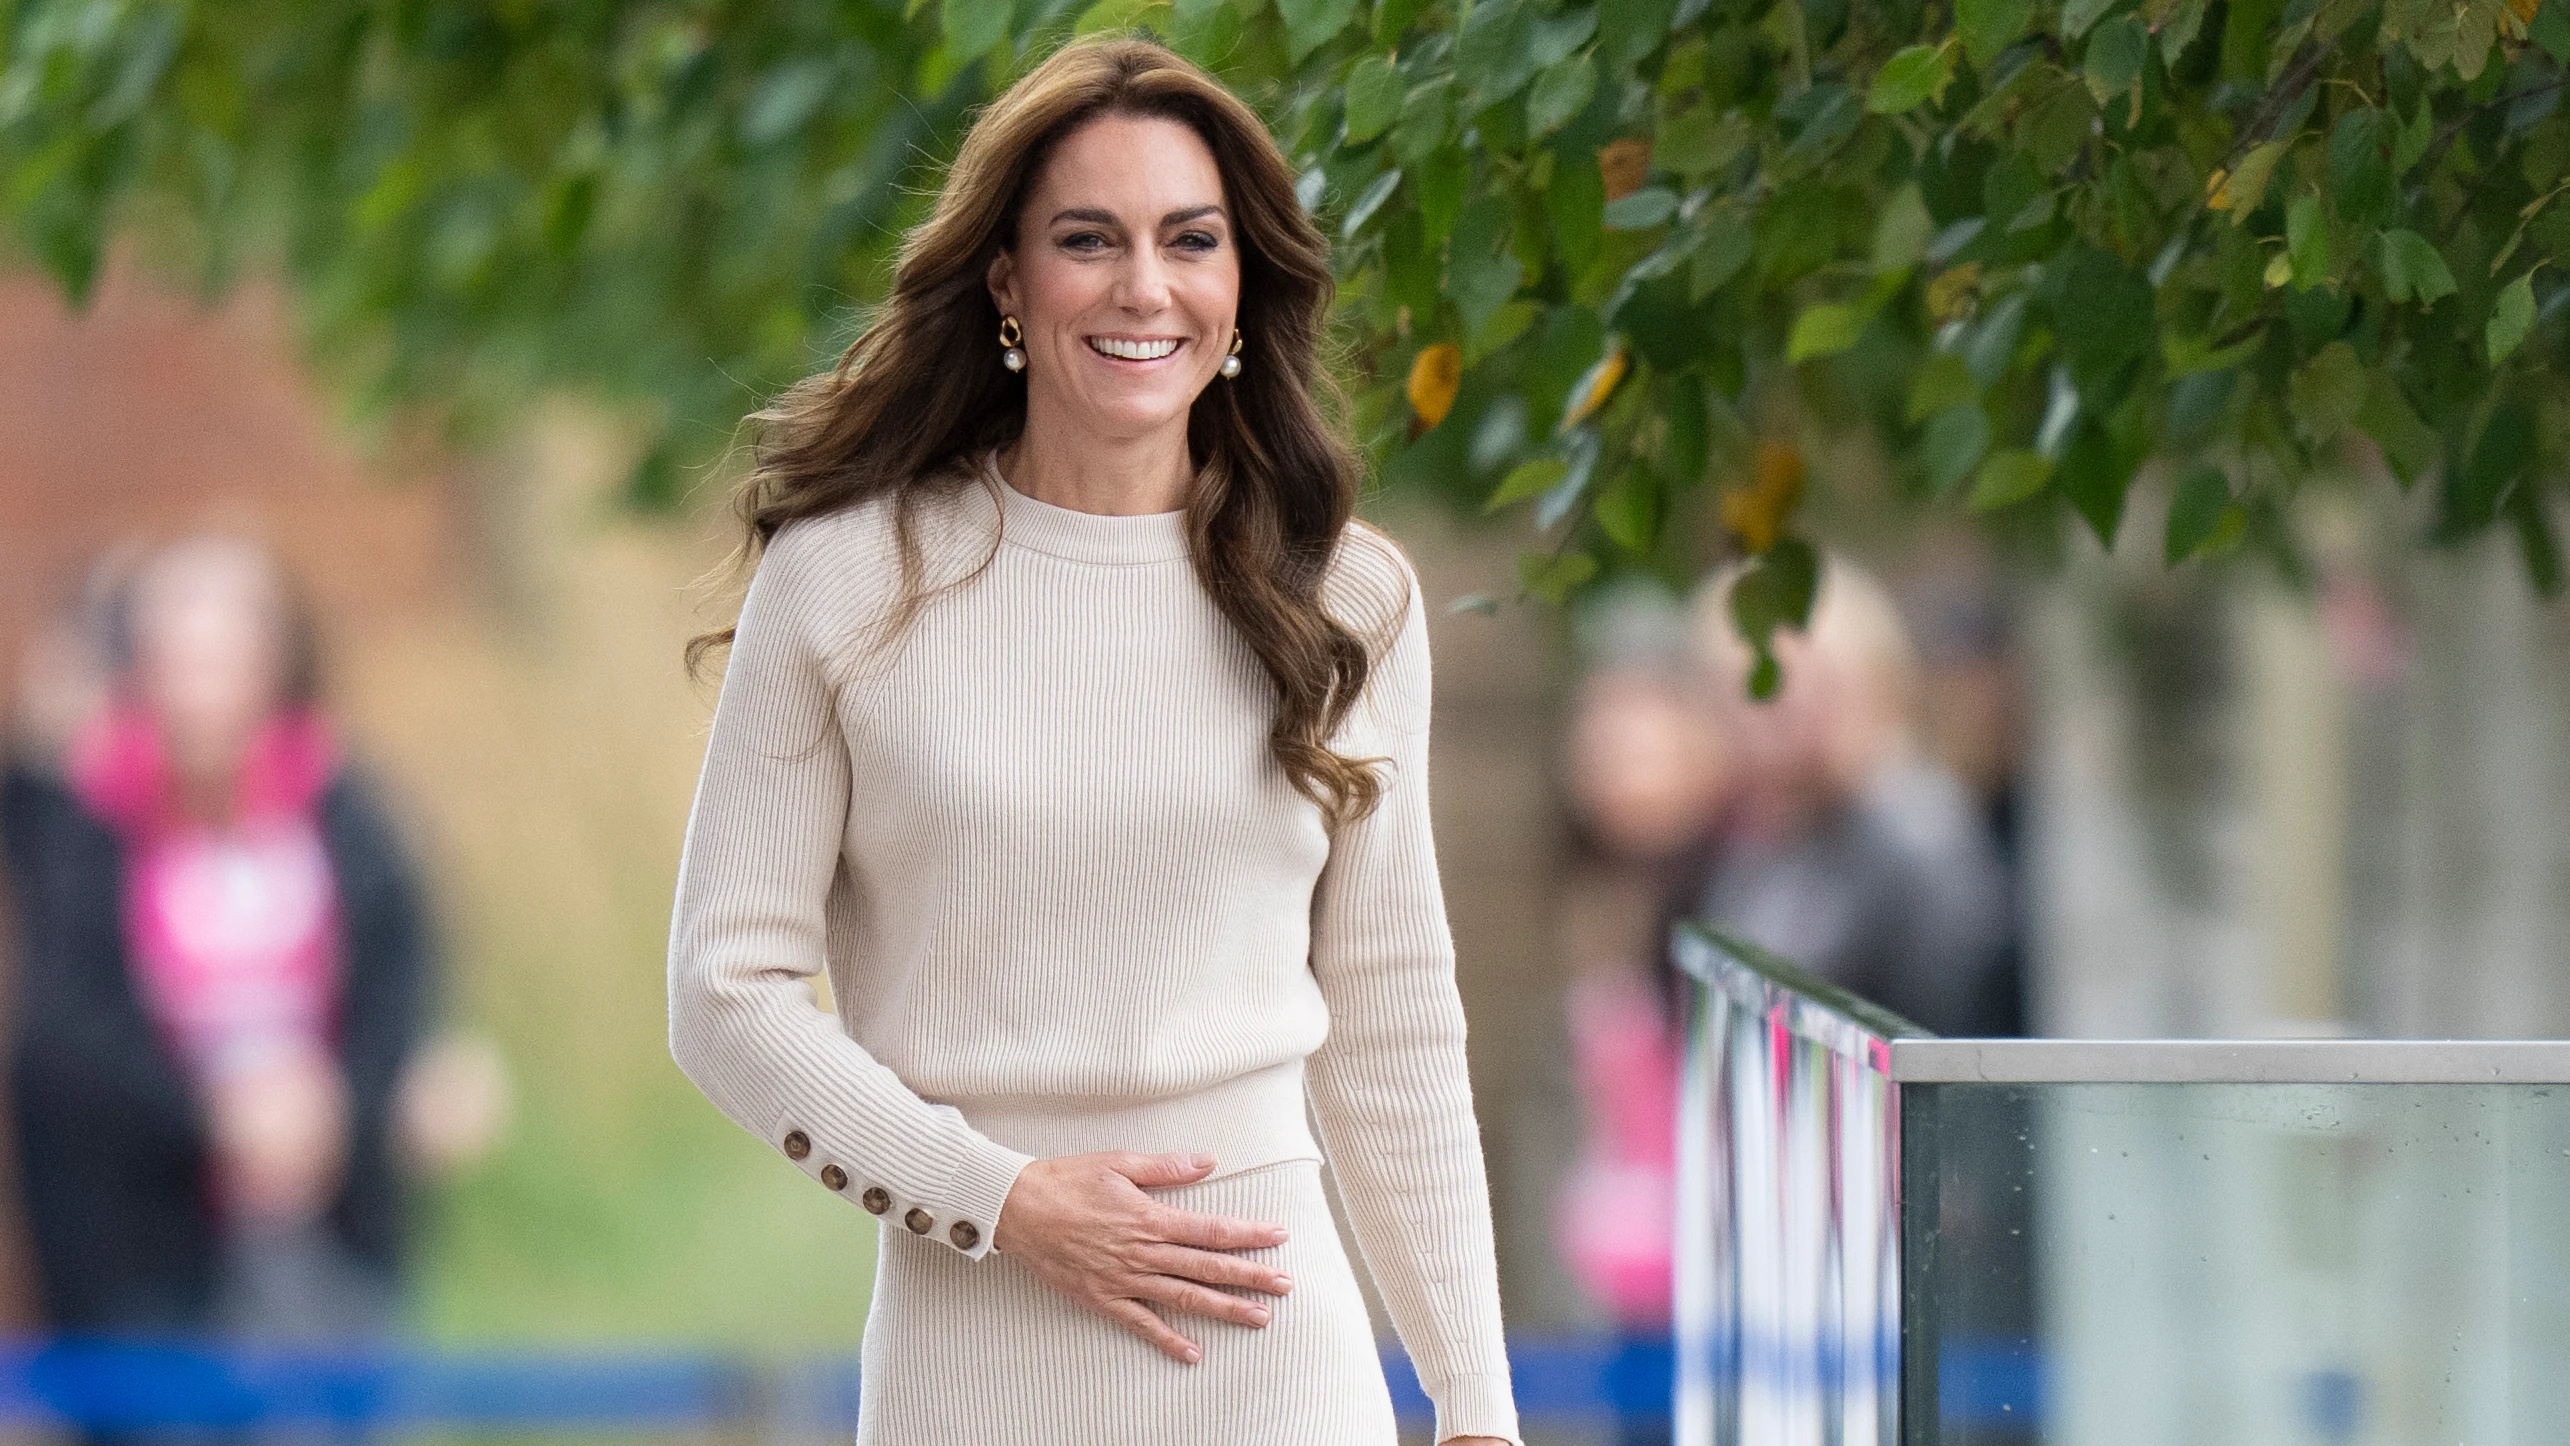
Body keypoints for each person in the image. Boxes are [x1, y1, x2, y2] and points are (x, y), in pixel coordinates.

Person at [664, 34, 1517, 1446]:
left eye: (1190, 240)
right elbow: (721, 991)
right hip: (972, 1359)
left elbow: (1391, 1020)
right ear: (1006, 280)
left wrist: (1476, 1404)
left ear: (1240, 286)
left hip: (1276, 1372)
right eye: (1086, 239)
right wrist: (999, 1197)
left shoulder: (1343, 597)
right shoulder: (849, 580)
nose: (1143, 287)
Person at [0, 538, 429, 1345]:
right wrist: (212, 1114)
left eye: (224, 660)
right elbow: (66, 1032)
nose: (201, 694)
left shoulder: (345, 808)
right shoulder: (88, 822)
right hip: (143, 1252)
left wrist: (344, 1101)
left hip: (326, 1230)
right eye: (178, 662)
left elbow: (398, 984)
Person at [1689, 555, 2010, 1038]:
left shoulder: (1919, 842)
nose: (1757, 715)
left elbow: (1950, 1036)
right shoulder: (1770, 839)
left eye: (1787, 684)